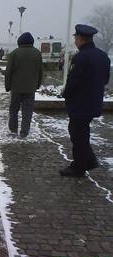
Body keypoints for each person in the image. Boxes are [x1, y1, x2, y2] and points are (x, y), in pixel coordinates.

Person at [59, 24, 111, 177]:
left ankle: (79, 167)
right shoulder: (103, 56)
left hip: (80, 104)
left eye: (75, 37)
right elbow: (105, 79)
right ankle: (89, 161)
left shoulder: (81, 57)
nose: (75, 40)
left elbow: (74, 81)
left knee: (77, 135)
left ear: (80, 39)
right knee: (81, 132)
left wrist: (66, 94)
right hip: (93, 102)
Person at [5, 32, 43, 138]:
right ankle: (24, 132)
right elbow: (40, 71)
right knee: (27, 111)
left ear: (19, 42)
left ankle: (13, 130)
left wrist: (8, 86)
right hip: (30, 88)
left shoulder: (14, 53)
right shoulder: (37, 53)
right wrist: (38, 85)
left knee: (13, 109)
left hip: (16, 87)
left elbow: (9, 72)